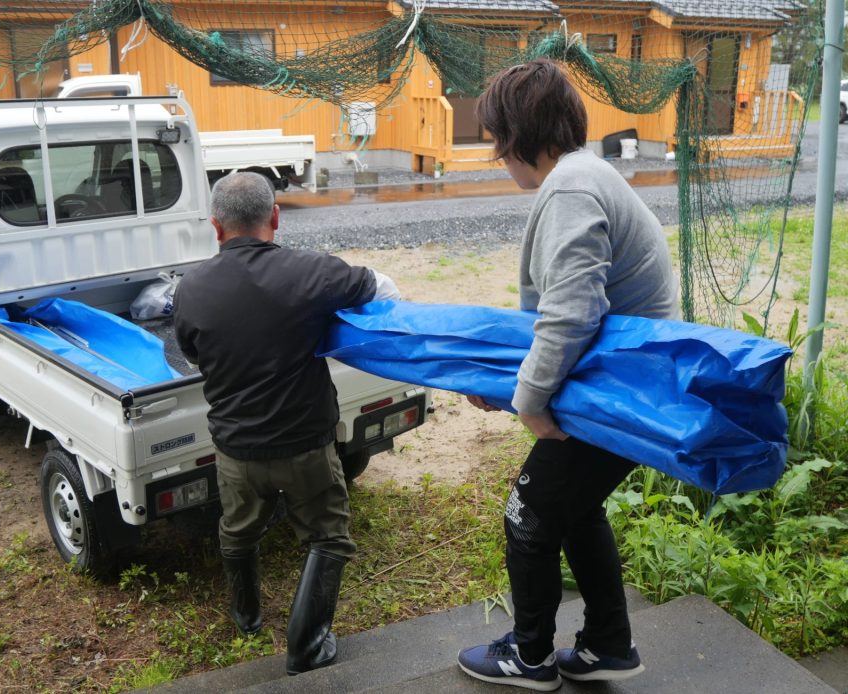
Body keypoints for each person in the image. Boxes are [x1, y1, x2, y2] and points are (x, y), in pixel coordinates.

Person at [455, 59, 678, 690]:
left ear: (516, 137)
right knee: (575, 512)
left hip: (617, 392)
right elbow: (563, 320)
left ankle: (529, 657)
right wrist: (506, 389)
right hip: (624, 385)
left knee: (527, 515)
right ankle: (608, 645)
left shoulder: (571, 188)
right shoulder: (587, 174)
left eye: (498, 140)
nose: (499, 155)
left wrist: (527, 401)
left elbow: (571, 314)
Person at [172, 172, 399, 676]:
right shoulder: (308, 272)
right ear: (274, 217)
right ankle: (307, 644)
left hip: (235, 450)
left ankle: (246, 617)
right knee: (329, 538)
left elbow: (191, 353)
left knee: (238, 534)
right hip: (305, 449)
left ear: (216, 227)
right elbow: (383, 288)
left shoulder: (190, 288)